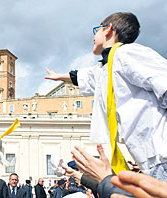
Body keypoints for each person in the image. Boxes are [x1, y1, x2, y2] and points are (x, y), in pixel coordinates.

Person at [45, 12, 167, 180]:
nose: (93, 37)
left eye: (96, 30)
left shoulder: (128, 53)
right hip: (147, 157)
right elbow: (85, 76)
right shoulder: (106, 68)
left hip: (160, 153)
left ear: (109, 29)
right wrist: (59, 76)